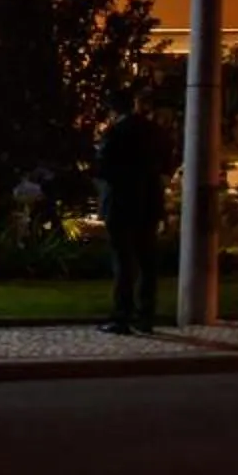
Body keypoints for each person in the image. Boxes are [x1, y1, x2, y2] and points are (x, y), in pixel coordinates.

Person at [94, 85, 175, 334]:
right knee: (147, 260)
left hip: (121, 202)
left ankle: (122, 316)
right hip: (148, 201)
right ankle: (146, 315)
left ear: (113, 108)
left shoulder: (116, 132)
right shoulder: (154, 131)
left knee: (124, 261)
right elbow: (167, 162)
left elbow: (103, 167)